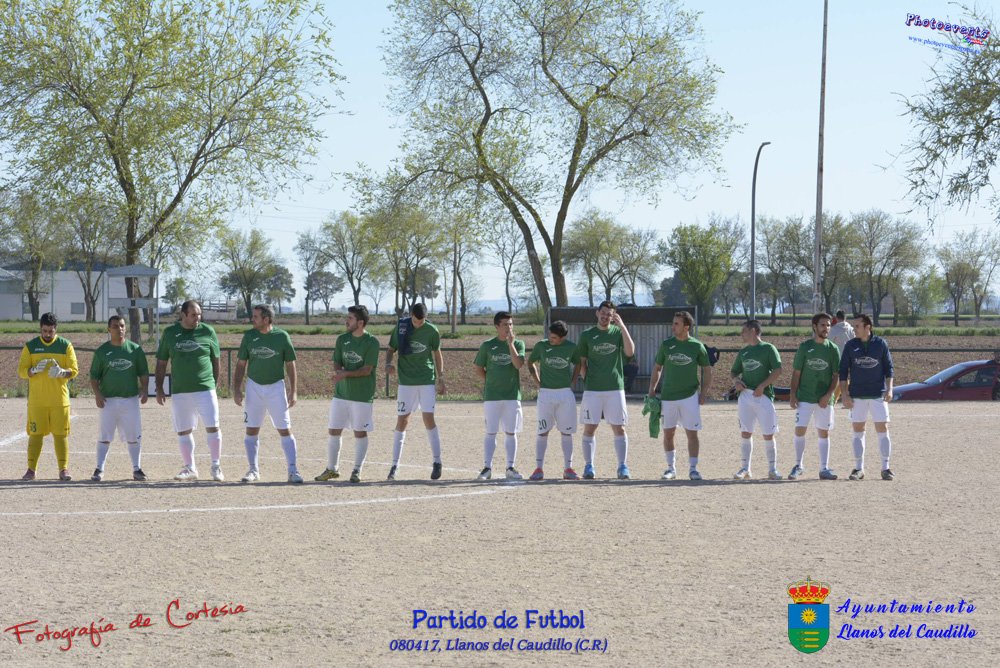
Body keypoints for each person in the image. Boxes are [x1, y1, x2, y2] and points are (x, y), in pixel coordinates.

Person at [232, 304, 303, 484]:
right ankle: (253, 470)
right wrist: (237, 389)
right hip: (254, 387)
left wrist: (293, 391)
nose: (252, 319)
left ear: (266, 319)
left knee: (285, 429)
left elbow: (290, 364)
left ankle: (293, 470)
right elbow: (241, 364)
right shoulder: (249, 336)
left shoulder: (282, 336)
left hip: (276, 388)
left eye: (256, 316)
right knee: (251, 429)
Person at [156, 300, 224, 481]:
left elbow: (216, 360)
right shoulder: (170, 333)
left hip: (205, 388)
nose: (197, 318)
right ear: (183, 315)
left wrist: (214, 384)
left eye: (199, 314)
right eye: (193, 315)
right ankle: (190, 467)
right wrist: (159, 387)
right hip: (180, 390)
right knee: (183, 430)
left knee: (213, 426)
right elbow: (162, 362)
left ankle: (216, 466)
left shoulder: (208, 331)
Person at [314, 305, 379, 483]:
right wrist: (339, 372)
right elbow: (337, 362)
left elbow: (367, 370)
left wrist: (345, 374)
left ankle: (357, 470)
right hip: (341, 394)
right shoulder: (342, 339)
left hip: (362, 396)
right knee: (334, 430)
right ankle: (332, 469)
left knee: (360, 432)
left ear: (360, 323)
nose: (346, 321)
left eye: (350, 318)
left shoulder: (372, 342)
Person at [647, 311, 712, 481]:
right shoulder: (666, 345)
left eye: (676, 324)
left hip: (689, 396)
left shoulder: (697, 346)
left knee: (692, 433)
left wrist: (704, 392)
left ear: (686, 327)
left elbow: (707, 370)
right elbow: (658, 367)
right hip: (668, 397)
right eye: (673, 323)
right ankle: (671, 469)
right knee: (668, 433)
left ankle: (693, 469)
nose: (673, 327)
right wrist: (652, 389)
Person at [385, 303, 446, 481]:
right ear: (411, 315)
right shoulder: (401, 326)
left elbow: (437, 354)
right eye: (416, 320)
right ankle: (394, 465)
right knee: (402, 420)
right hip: (406, 381)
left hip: (426, 380)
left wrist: (441, 377)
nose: (418, 324)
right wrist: (388, 363)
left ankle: (437, 461)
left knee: (428, 419)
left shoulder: (432, 330)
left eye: (422, 321)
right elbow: (390, 349)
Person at [576, 301, 636, 479]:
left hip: (615, 388)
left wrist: (622, 326)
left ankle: (622, 466)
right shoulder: (587, 335)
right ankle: (589, 466)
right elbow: (582, 362)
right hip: (593, 390)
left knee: (619, 428)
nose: (605, 316)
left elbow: (630, 352)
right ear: (597, 313)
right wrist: (587, 380)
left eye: (609, 314)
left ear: (613, 316)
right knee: (590, 428)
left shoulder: (617, 332)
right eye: (603, 313)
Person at [17, 312, 79, 481]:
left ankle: (63, 469)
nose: (47, 334)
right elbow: (21, 371)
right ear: (40, 329)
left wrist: (62, 372)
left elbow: (74, 370)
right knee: (35, 435)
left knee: (60, 435)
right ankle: (31, 470)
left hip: (59, 401)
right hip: (37, 402)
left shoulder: (65, 345)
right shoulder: (30, 346)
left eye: (51, 331)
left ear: (55, 329)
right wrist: (32, 370)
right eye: (44, 331)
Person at [89, 315, 149, 481]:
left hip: (130, 400)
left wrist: (144, 389)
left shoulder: (135, 350)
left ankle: (137, 469)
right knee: (105, 436)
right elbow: (94, 376)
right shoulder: (102, 351)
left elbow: (143, 372)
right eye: (115, 326)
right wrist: (97, 394)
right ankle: (99, 469)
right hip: (108, 401)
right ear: (109, 329)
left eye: (122, 326)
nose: (119, 329)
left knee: (134, 435)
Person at [839, 313, 895, 481]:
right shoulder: (850, 345)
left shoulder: (880, 344)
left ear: (867, 327)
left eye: (857, 326)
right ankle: (858, 468)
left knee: (883, 429)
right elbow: (843, 372)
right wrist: (845, 394)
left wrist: (889, 389)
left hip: (878, 395)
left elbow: (889, 369)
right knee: (858, 430)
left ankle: (885, 468)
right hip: (857, 396)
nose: (854, 329)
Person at [788, 313, 841, 481]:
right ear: (814, 327)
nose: (826, 328)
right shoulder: (805, 347)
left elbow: (836, 375)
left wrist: (828, 395)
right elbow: (796, 373)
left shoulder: (833, 349)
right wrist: (793, 394)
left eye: (828, 325)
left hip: (824, 399)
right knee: (800, 430)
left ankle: (824, 468)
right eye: (823, 325)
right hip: (805, 396)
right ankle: (798, 465)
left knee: (824, 433)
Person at [473, 311, 526, 480]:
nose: (508, 328)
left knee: (511, 432)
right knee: (491, 432)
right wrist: (491, 381)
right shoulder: (487, 345)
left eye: (511, 324)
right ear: (497, 327)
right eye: (505, 324)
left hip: (512, 396)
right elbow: (478, 368)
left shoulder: (519, 344)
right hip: (492, 396)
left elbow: (518, 365)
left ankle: (510, 467)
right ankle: (487, 468)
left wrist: (511, 345)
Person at [527, 320, 581, 480]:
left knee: (567, 432)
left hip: (565, 395)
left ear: (563, 337)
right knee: (542, 431)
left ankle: (568, 468)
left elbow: (578, 363)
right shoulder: (541, 346)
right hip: (545, 394)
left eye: (555, 338)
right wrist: (537, 381)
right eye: (550, 336)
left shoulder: (571, 347)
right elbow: (530, 362)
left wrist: (573, 380)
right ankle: (538, 468)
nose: (551, 339)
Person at [729, 319, 783, 480]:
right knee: (745, 432)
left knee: (768, 434)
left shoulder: (768, 348)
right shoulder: (743, 352)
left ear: (753, 331)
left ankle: (772, 470)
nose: (742, 334)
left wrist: (762, 386)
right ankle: (745, 469)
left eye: (744, 331)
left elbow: (778, 370)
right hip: (745, 397)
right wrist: (737, 382)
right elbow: (733, 372)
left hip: (763, 396)